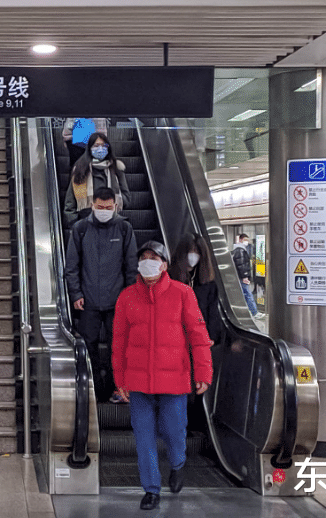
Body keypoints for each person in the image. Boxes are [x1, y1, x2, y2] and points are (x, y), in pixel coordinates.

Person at [113, 240, 213, 511]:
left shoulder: (182, 294)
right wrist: (120, 379)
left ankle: (178, 463)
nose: (148, 262)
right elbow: (119, 342)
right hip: (138, 381)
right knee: (143, 436)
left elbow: (198, 335)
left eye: (154, 258)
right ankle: (151, 489)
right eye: (143, 258)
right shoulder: (127, 297)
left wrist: (203, 371)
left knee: (174, 430)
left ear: (165, 264)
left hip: (174, 379)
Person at [64, 186, 138, 402]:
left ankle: (118, 387)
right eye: (100, 207)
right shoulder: (80, 228)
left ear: (115, 206)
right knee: (89, 345)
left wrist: (131, 297)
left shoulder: (124, 228)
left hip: (118, 300)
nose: (104, 211)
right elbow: (72, 265)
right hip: (88, 300)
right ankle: (94, 386)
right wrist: (76, 293)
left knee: (119, 345)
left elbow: (131, 266)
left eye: (108, 207)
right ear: (92, 205)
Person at [63, 132, 131, 228]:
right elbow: (70, 203)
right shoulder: (80, 169)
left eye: (104, 145)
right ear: (89, 148)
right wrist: (75, 224)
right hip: (86, 222)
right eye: (96, 145)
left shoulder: (116, 168)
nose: (100, 149)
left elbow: (126, 197)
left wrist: (113, 201)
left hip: (112, 222)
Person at [171, 234, 222, 343]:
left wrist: (211, 337)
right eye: (190, 251)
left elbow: (212, 314)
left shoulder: (208, 284)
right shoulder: (170, 279)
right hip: (175, 338)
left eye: (197, 252)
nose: (193, 256)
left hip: (199, 338)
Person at [232, 234, 261, 318]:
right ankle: (254, 312)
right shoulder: (240, 250)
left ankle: (247, 312)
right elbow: (241, 264)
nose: (247, 242)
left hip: (241, 276)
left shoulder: (241, 249)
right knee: (248, 294)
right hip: (242, 277)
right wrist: (245, 276)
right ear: (240, 240)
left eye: (247, 240)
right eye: (245, 240)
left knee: (245, 294)